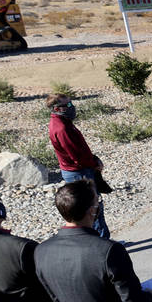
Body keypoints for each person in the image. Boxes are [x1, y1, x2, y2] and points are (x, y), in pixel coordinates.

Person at [46, 93, 110, 239]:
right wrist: (94, 164)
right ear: (58, 108)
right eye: (67, 105)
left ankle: (101, 239)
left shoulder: (63, 122)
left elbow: (79, 149)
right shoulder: (61, 128)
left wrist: (94, 159)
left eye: (71, 103)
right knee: (91, 207)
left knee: (91, 206)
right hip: (78, 171)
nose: (71, 107)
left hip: (80, 169)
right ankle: (101, 241)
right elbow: (76, 155)